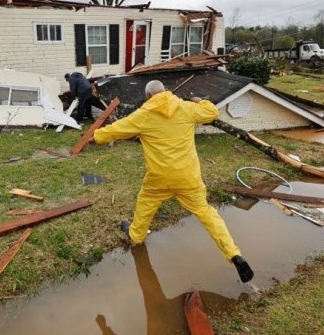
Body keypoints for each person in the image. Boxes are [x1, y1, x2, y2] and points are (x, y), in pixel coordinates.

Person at [92, 80, 254, 283]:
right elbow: (211, 112)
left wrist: (96, 136)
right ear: (166, 92)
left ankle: (136, 236)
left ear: (148, 96)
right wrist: (199, 101)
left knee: (145, 204)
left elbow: (115, 129)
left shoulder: (143, 115)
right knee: (206, 212)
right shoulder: (186, 108)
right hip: (188, 177)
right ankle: (233, 254)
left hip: (159, 179)